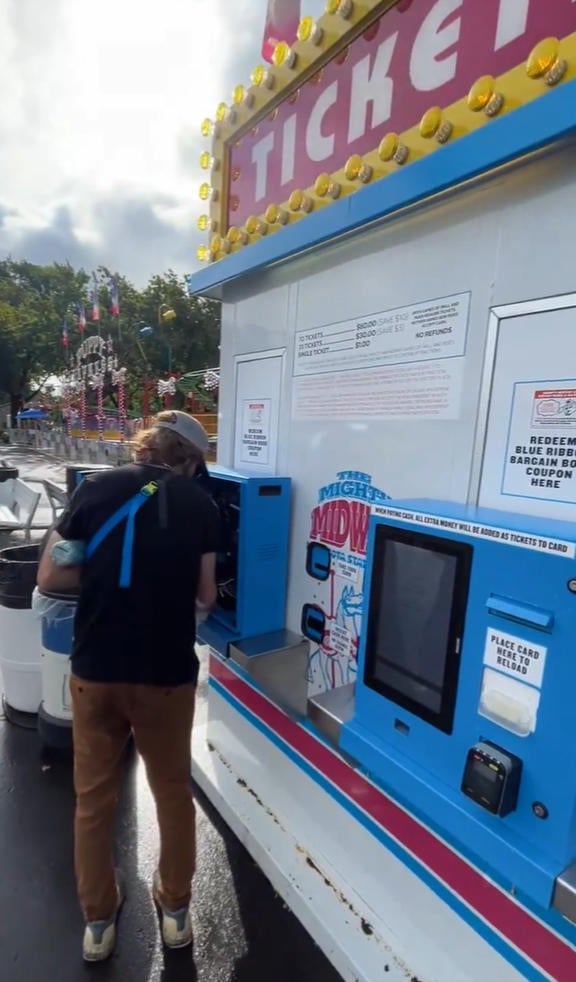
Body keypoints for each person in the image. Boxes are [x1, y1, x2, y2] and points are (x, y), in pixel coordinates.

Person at [37, 411, 221, 962]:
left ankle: (97, 922)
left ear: (146, 448)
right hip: (165, 675)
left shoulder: (94, 492)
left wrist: (108, 574)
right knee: (171, 791)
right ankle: (175, 913)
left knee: (93, 798)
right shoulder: (202, 507)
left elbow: (51, 575)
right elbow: (207, 597)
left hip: (96, 672)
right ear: (187, 460)